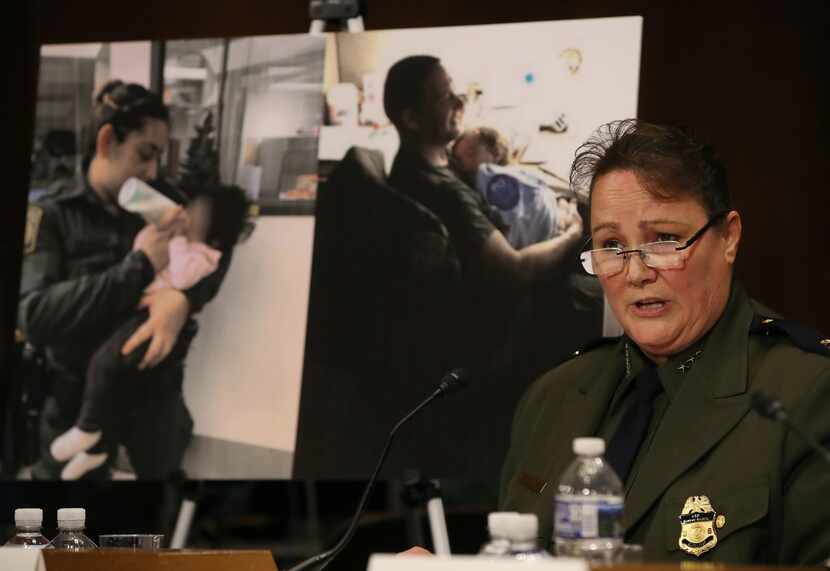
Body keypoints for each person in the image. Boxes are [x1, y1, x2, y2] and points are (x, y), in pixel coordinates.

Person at [498, 119, 830, 563]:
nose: (636, 272)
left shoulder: (806, 396)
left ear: (728, 238)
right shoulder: (551, 398)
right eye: (611, 245)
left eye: (665, 240)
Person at [18, 80, 230, 480]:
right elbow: (35, 315)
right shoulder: (52, 215)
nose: (151, 171)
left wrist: (182, 300)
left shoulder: (161, 201)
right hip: (78, 399)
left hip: (154, 393)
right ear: (107, 142)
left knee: (163, 511)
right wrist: (139, 267)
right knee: (68, 525)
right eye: (145, 154)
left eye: (158, 158)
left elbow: (211, 255)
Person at [47, 185, 252, 480]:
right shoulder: (67, 212)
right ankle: (96, 450)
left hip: (146, 322)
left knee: (106, 367)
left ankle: (87, 429)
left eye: (198, 214)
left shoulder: (206, 255)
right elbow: (140, 250)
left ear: (215, 230)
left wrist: (179, 247)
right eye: (191, 208)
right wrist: (158, 233)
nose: (188, 213)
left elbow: (183, 277)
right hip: (127, 315)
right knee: (108, 383)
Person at [385, 56, 583, 294]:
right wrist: (573, 234)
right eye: (446, 97)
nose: (460, 103)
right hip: (515, 296)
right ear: (412, 119)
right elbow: (516, 269)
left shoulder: (425, 161)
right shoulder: (447, 195)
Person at [451, 126, 573, 249]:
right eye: (459, 160)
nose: (464, 163)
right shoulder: (478, 186)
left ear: (496, 153)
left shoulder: (488, 174)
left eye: (471, 153)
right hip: (547, 235)